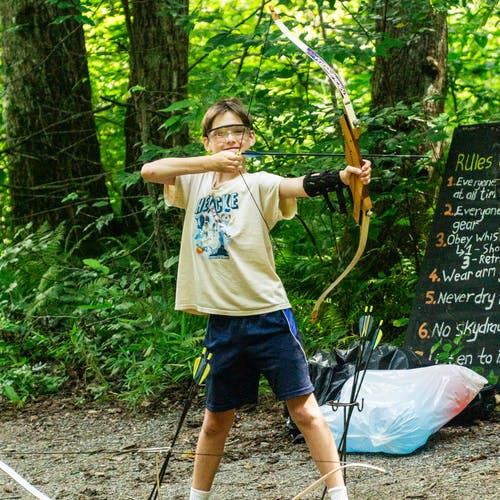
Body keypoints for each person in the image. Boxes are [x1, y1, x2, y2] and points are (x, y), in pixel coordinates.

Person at [141, 97, 371, 500]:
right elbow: (150, 170)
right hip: (223, 322)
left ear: (249, 138)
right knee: (215, 420)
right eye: (219, 133)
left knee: (304, 410)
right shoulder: (193, 180)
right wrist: (210, 164)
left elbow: (298, 185)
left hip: (268, 316)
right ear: (207, 140)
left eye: (237, 132)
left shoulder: (260, 182)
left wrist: (345, 176)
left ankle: (338, 495)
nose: (229, 139)